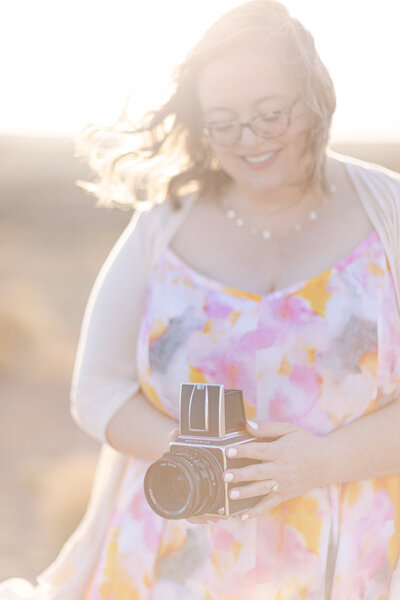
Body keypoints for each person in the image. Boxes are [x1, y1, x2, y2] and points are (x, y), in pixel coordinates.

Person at [2, 1, 400, 598]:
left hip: (346, 561)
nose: (248, 141)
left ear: (315, 100)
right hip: (165, 560)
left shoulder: (388, 212)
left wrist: (316, 464)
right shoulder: (163, 222)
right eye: (224, 122)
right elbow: (98, 390)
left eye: (270, 115)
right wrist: (209, 461)